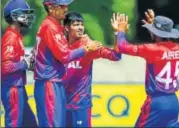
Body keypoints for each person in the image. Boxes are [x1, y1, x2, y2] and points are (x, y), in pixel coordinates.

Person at [33, 0, 100, 127]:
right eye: (62, 6)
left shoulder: (54, 26)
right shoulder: (50, 27)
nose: (66, 8)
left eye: (66, 5)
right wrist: (86, 48)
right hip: (49, 84)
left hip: (54, 83)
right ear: (51, 8)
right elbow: (64, 56)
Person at [111, 10, 179, 127]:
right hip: (173, 102)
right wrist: (155, 28)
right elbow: (160, 45)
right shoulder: (177, 48)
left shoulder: (152, 49)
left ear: (156, 34)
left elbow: (122, 47)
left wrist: (120, 31)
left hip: (156, 103)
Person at [63, 12, 121, 127]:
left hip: (80, 106)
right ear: (66, 28)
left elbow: (115, 56)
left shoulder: (90, 46)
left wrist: (117, 34)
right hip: (60, 105)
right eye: (76, 25)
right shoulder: (60, 45)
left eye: (81, 24)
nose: (80, 27)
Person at [1, 0, 37, 127]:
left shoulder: (16, 35)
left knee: (30, 124)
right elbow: (5, 67)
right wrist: (25, 63)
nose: (27, 17)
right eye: (24, 14)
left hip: (19, 88)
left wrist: (28, 61)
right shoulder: (10, 37)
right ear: (15, 16)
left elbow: (15, 61)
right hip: (12, 89)